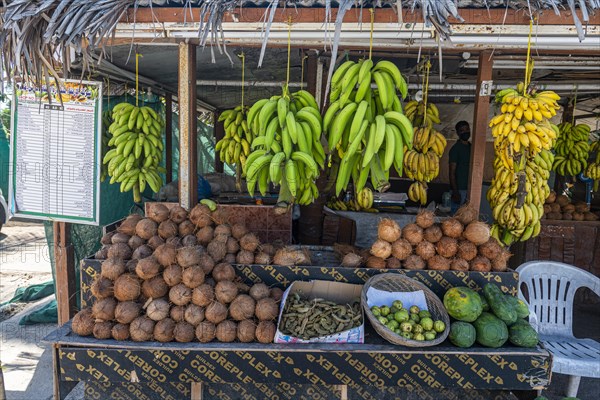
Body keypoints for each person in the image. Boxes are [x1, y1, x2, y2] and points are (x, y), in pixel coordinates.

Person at [449, 121, 471, 214]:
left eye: (467, 129)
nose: (465, 132)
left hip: (470, 188)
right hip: (459, 189)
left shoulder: (472, 147)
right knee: (456, 218)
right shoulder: (455, 149)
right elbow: (451, 172)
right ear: (458, 133)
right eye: (462, 130)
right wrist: (455, 191)